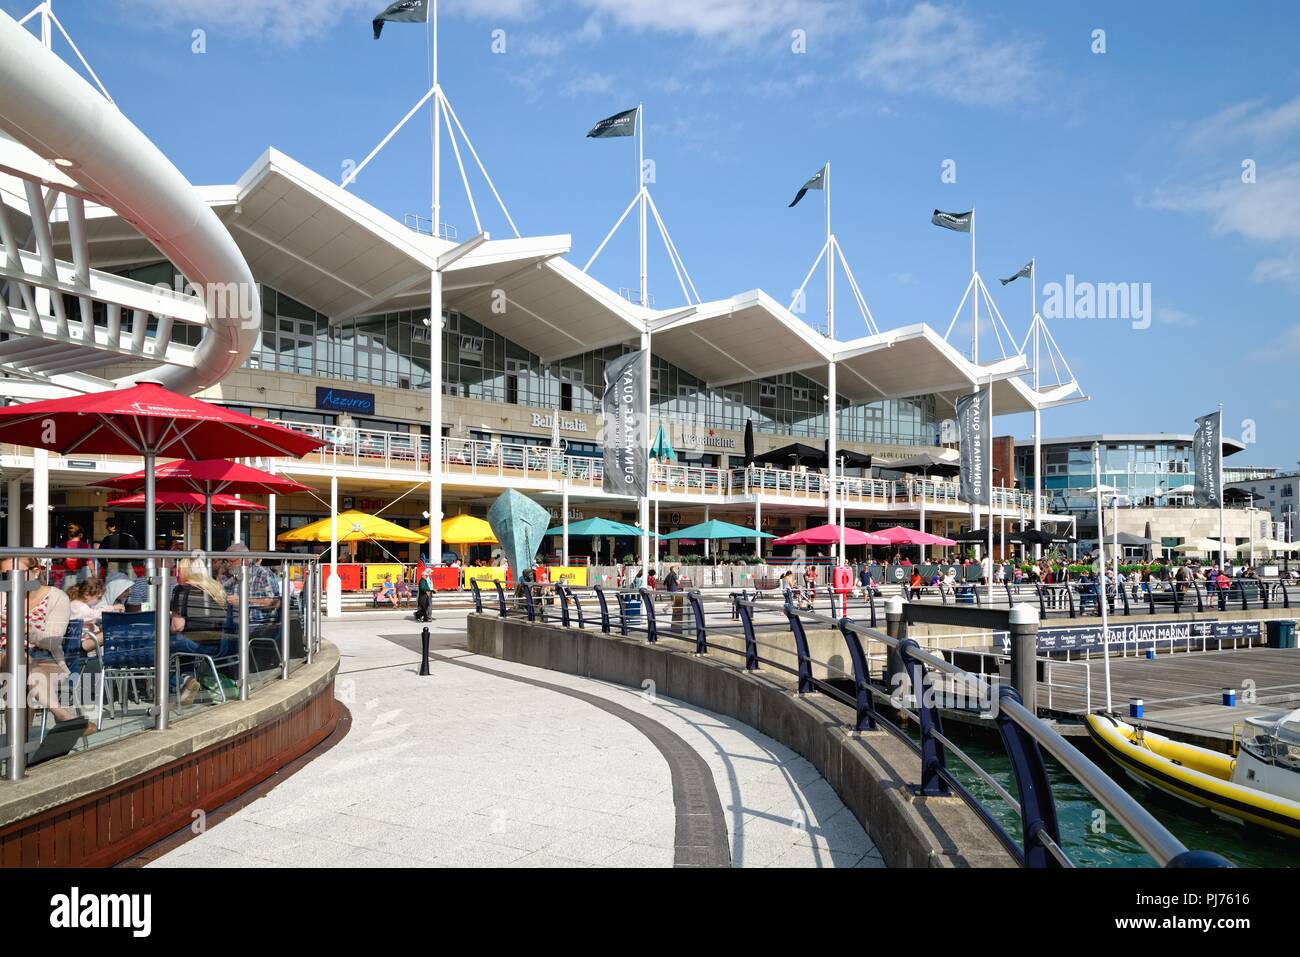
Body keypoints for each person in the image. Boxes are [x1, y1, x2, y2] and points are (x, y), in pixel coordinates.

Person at [0, 557, 92, 734]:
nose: (12, 579)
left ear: (35, 572)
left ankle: (17, 753)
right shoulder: (2, 595)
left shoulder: (56, 596)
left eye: (18, 573)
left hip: (46, 660)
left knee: (17, 683)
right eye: (5, 575)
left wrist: (22, 627)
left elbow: (53, 641)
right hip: (3, 656)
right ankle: (61, 714)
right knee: (16, 657)